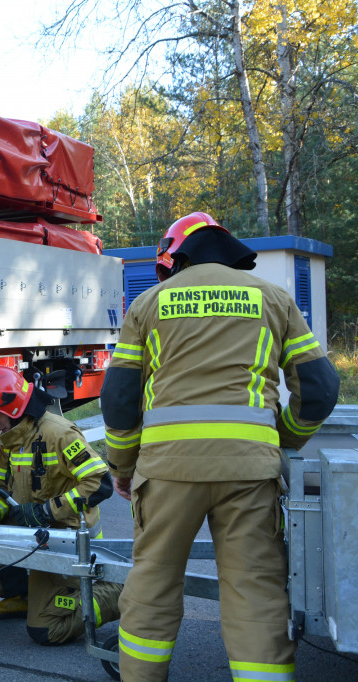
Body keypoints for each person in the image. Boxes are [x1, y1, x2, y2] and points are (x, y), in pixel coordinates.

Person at [101, 212, 340, 681]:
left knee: (151, 587)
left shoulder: (149, 303)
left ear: (174, 256)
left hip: (167, 473)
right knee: (256, 594)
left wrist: (122, 466)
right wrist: (281, 439)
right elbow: (319, 388)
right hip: (250, 474)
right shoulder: (273, 299)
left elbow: (120, 398)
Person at [0, 365, 121, 645]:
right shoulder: (7, 442)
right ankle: (24, 598)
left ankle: (120, 593)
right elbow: (1, 492)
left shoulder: (58, 433)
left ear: (12, 408)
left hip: (68, 544)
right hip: (34, 536)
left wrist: (46, 511)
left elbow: (99, 482)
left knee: (44, 630)